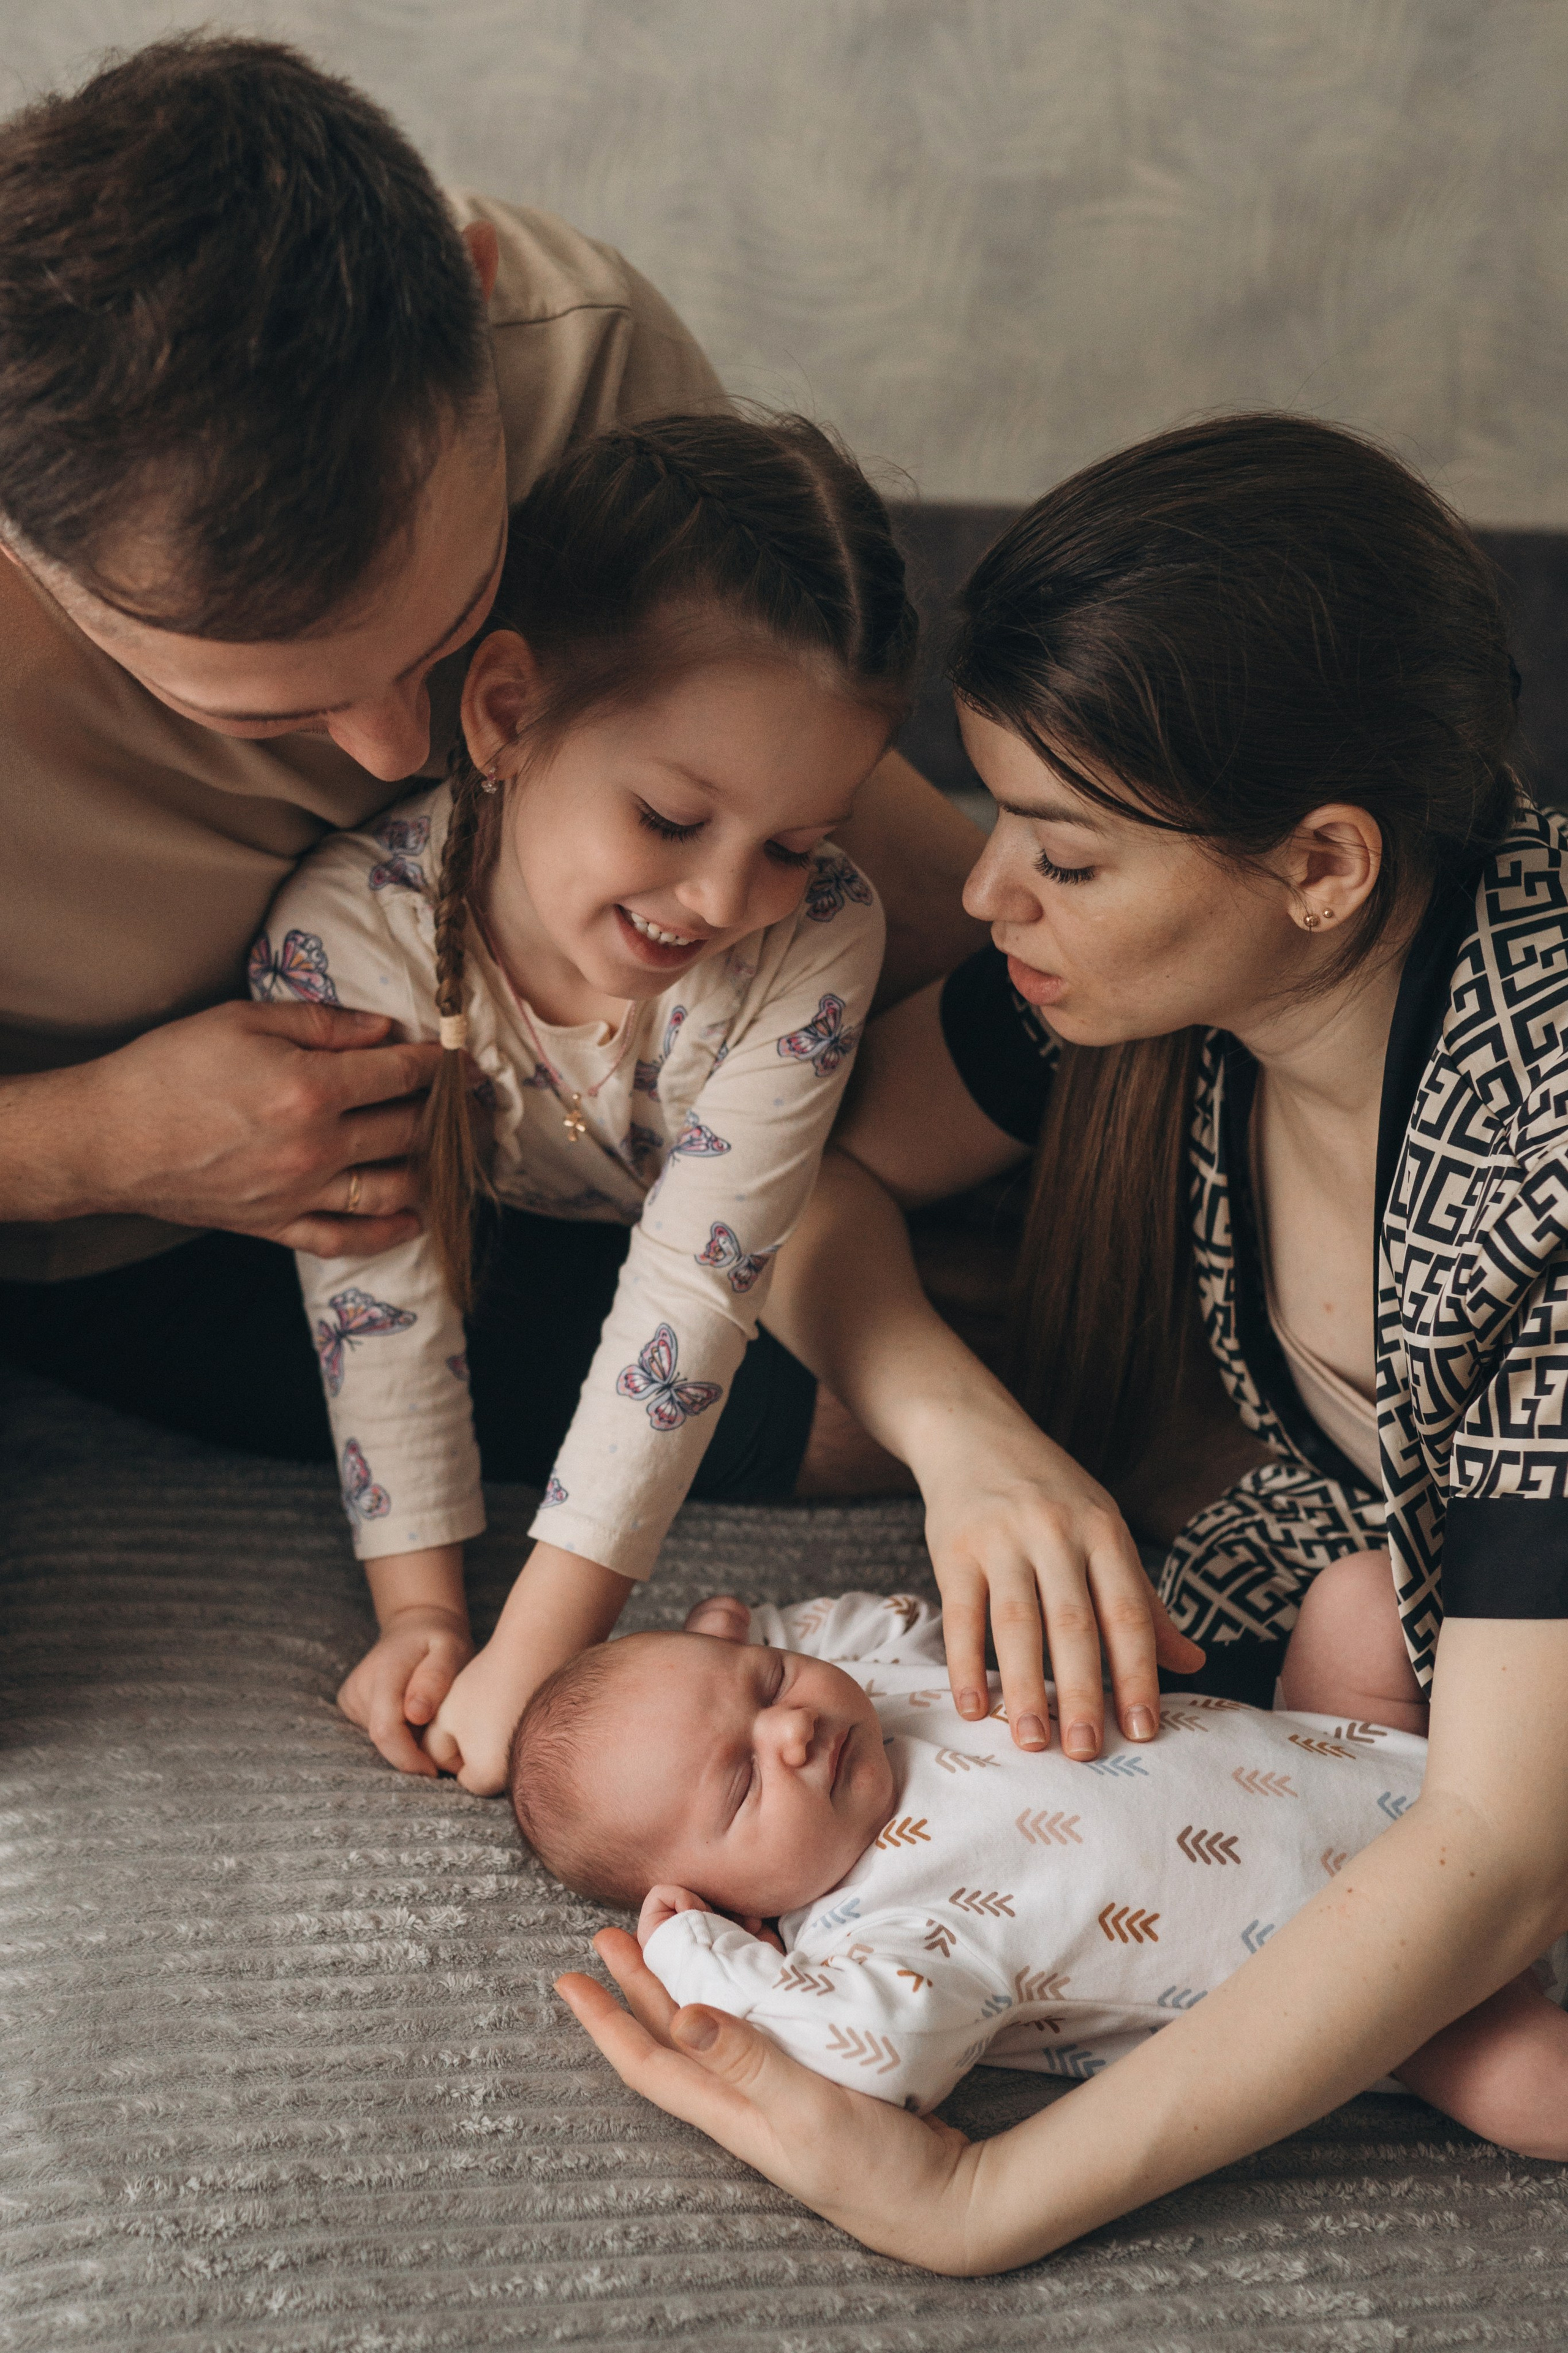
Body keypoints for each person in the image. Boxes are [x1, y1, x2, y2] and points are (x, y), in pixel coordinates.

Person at [554, 414, 1568, 2272]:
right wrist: (963, 1432)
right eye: (994, 806)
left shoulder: (1539, 1143)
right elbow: (789, 1187)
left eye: (1068, 855)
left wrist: (976, 2194)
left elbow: (1499, 1848)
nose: (985, 892)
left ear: (1324, 861)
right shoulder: (1179, 976)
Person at [0, 33, 981, 1451]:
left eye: (452, 620)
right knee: (848, 1420)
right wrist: (89, 1144)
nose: (401, 746)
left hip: (586, 1098)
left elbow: (773, 758)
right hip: (132, 1221)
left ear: (471, 299)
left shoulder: (578, 362)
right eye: (266, 708)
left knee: (1069, 1302)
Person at [261, 409, 916, 1789]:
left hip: (819, 1212)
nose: (724, 901)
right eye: (672, 821)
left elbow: (694, 1286)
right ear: (504, 713)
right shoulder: (340, 945)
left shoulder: (816, 938)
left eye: (793, 843)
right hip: (525, 1248)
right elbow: (375, 1290)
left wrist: (540, 1651)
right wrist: (429, 1617)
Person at [535, 1583, 1568, 2150]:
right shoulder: (882, 1936)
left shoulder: (890, 1682)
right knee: (1531, 2090)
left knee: (1363, 1601)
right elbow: (872, 2059)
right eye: (744, 1784)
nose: (792, 1728)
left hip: (1361, 1748)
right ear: (736, 1905)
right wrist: (706, 1963)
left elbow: (862, 1621)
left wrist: (741, 1629)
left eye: (764, 1685)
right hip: (1410, 1988)